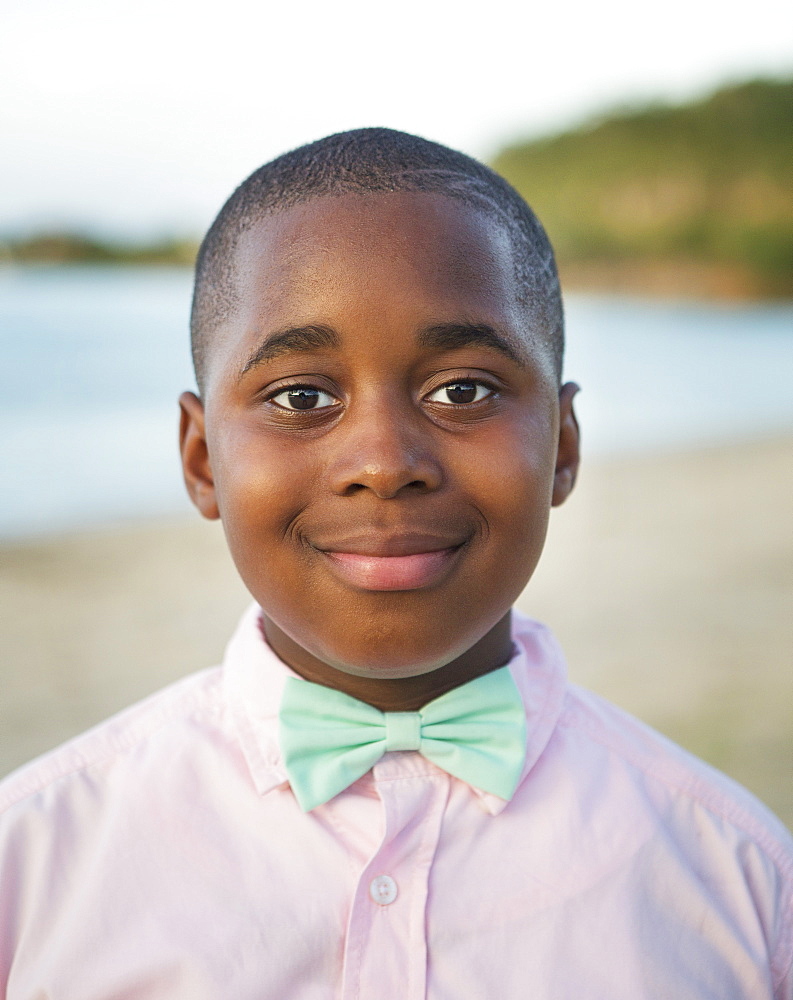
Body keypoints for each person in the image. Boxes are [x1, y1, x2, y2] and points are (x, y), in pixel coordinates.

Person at [1, 128, 791, 999]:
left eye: (463, 390)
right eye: (302, 397)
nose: (383, 461)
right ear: (201, 460)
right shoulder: (32, 867)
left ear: (562, 447)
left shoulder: (740, 882)